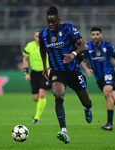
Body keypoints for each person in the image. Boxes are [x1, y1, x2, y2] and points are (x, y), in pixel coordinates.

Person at [39, 4, 93, 144]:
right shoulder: (43, 34)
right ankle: (64, 131)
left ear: (58, 20)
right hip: (57, 71)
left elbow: (85, 45)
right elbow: (43, 49)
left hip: (73, 70)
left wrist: (73, 54)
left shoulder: (68, 29)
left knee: (87, 102)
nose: (50, 24)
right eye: (48, 22)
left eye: (53, 22)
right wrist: (45, 66)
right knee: (58, 95)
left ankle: (87, 109)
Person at [81, 26, 115, 131]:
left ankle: (109, 124)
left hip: (109, 73)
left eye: (97, 34)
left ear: (101, 35)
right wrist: (87, 69)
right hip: (98, 77)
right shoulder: (88, 47)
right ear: (91, 35)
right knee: (114, 100)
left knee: (107, 93)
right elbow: (82, 61)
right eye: (93, 34)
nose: (95, 36)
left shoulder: (108, 46)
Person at [22, 29, 50, 124]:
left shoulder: (48, 45)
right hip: (34, 73)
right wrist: (26, 72)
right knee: (35, 98)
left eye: (40, 36)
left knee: (42, 94)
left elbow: (54, 57)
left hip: (45, 73)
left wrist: (50, 69)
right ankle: (41, 105)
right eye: (36, 36)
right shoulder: (30, 46)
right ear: (34, 37)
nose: (38, 38)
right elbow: (25, 59)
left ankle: (36, 118)